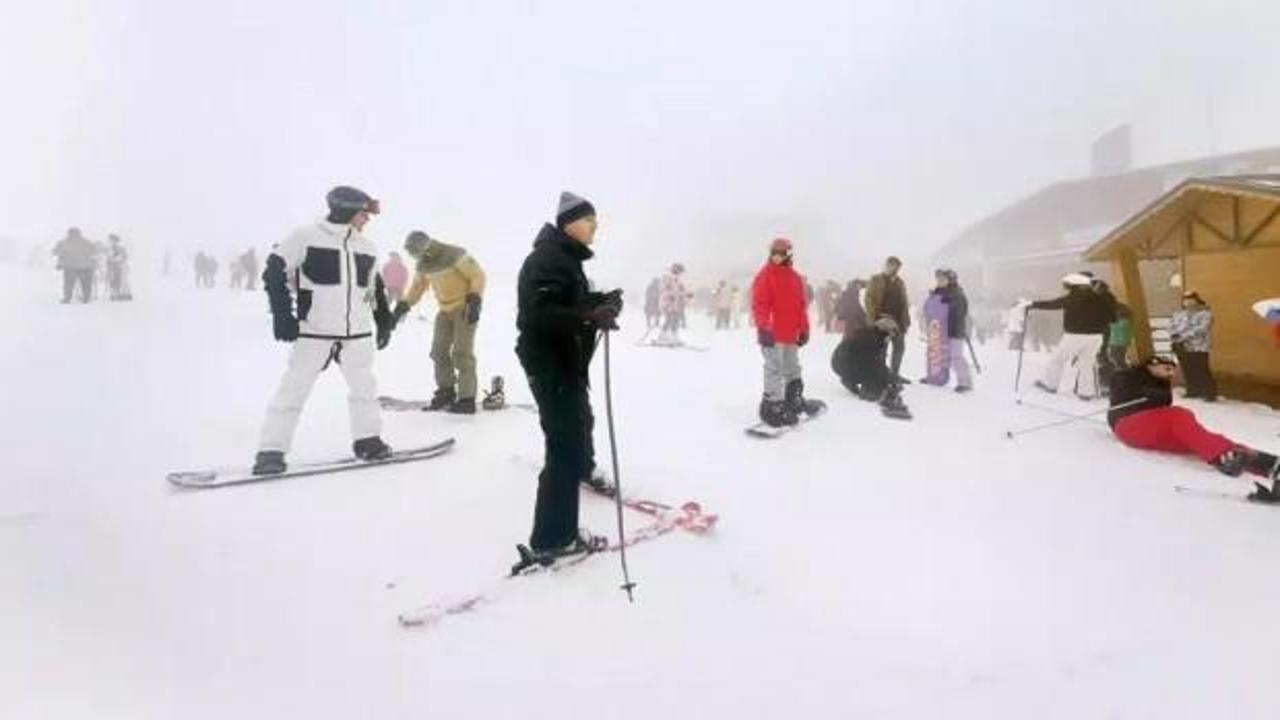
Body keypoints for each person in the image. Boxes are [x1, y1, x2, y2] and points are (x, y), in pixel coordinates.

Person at [251, 186, 396, 476]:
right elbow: (273, 271)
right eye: (363, 213)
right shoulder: (305, 237)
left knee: (364, 389)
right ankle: (271, 451)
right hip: (314, 332)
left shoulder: (366, 246)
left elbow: (375, 287)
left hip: (357, 334)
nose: (367, 219)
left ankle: (368, 440)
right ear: (346, 210)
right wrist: (283, 315)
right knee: (293, 391)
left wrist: (383, 320)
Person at [516, 191, 623, 560]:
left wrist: (600, 305)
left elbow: (567, 307)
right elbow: (537, 314)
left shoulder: (565, 259)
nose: (595, 227)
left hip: (564, 360)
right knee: (563, 444)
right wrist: (587, 316)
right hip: (550, 362)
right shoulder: (548, 258)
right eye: (589, 220)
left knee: (576, 427)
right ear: (569, 223)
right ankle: (553, 538)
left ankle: (580, 471)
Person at [1109, 356, 1279, 500]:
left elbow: (1161, 404)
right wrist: (1148, 386)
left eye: (1172, 370)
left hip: (1152, 428)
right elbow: (1122, 390)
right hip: (1126, 424)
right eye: (1166, 368)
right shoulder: (1129, 375)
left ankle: (1266, 463)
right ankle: (1224, 458)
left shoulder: (1161, 383)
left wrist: (1158, 385)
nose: (1170, 374)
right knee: (1180, 414)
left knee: (1199, 438)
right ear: (1152, 364)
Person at [392, 232, 487, 414]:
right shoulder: (423, 264)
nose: (413, 256)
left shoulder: (453, 254)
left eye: (414, 252)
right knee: (438, 352)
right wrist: (402, 306)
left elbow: (477, 275)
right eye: (411, 254)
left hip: (464, 308)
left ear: (424, 247)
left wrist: (474, 300)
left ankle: (466, 399)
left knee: (461, 353)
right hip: (445, 311)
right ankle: (447, 392)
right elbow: (418, 287)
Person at [752, 237, 823, 427]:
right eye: (774, 253)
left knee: (792, 366)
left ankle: (793, 399)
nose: (776, 257)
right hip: (772, 332)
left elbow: (800, 306)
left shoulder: (794, 278)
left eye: (781, 254)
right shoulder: (765, 276)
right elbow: (760, 304)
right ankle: (772, 406)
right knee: (774, 368)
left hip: (790, 331)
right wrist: (764, 326)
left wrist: (804, 328)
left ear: (788, 254)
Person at [1028, 273, 1113, 400]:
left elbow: (1054, 304)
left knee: (1057, 359)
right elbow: (1112, 317)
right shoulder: (1101, 297)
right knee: (1086, 364)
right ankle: (1086, 392)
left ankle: (1050, 385)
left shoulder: (1075, 296)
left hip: (1076, 335)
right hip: (1096, 336)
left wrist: (1032, 304)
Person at [831, 317, 912, 419]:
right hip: (845, 365)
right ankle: (857, 384)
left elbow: (875, 363)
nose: (890, 338)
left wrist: (890, 376)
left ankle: (850, 379)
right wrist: (879, 385)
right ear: (884, 330)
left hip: (840, 364)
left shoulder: (870, 334)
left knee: (875, 370)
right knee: (873, 376)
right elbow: (871, 365)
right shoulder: (871, 339)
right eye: (890, 334)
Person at [865, 256, 911, 381]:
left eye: (895, 265)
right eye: (890, 264)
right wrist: (873, 319)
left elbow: (904, 302)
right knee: (882, 349)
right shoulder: (876, 279)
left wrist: (906, 320)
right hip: (882, 320)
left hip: (897, 321)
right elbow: (868, 299)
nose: (892, 267)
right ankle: (881, 374)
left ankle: (894, 374)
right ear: (886, 265)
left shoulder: (900, 282)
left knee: (899, 348)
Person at [927, 268, 973, 392]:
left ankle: (965, 383)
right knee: (938, 355)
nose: (939, 281)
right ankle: (937, 377)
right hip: (940, 330)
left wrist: (942, 303)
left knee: (956, 357)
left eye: (942, 279)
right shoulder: (938, 293)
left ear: (951, 280)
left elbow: (957, 313)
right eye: (938, 279)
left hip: (954, 330)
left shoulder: (957, 294)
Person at [1170, 291, 1218, 401]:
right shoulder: (1178, 313)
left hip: (1199, 346)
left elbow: (1202, 328)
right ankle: (1193, 390)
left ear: (1197, 300)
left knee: (1201, 369)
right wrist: (1174, 334)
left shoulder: (1205, 313)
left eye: (1191, 299)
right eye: (1185, 299)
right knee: (1188, 369)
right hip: (1181, 346)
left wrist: (1183, 336)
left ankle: (1209, 393)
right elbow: (1171, 325)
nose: (1188, 302)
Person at [52, 227, 96, 303]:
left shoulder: (64, 242)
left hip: (70, 266)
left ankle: (67, 298)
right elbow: (94, 252)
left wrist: (60, 263)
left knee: (69, 283)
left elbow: (55, 252)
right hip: (86, 266)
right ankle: (86, 298)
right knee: (86, 283)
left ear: (69, 233)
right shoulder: (86, 242)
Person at [656, 263, 689, 345]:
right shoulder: (667, 277)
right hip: (667, 302)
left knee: (675, 319)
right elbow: (663, 289)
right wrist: (670, 295)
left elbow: (678, 291)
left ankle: (674, 336)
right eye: (680, 271)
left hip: (674, 303)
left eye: (682, 272)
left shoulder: (677, 280)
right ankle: (663, 336)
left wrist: (685, 294)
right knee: (670, 319)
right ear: (676, 270)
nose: (681, 273)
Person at [105, 234, 131, 301]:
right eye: (110, 240)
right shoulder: (110, 247)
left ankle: (123, 294)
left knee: (120, 281)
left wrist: (113, 260)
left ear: (115, 240)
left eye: (111, 239)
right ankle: (115, 294)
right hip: (113, 267)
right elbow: (108, 257)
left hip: (119, 266)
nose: (110, 241)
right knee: (113, 280)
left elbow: (123, 256)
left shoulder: (120, 247)